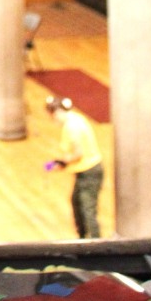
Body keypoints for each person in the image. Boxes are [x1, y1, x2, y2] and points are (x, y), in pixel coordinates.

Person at [45, 95, 104, 239]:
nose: (53, 120)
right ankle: (83, 240)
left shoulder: (72, 127)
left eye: (53, 116)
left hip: (89, 173)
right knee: (77, 205)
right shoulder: (75, 119)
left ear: (58, 112)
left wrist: (62, 162)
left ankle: (96, 245)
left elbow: (78, 153)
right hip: (85, 172)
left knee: (87, 210)